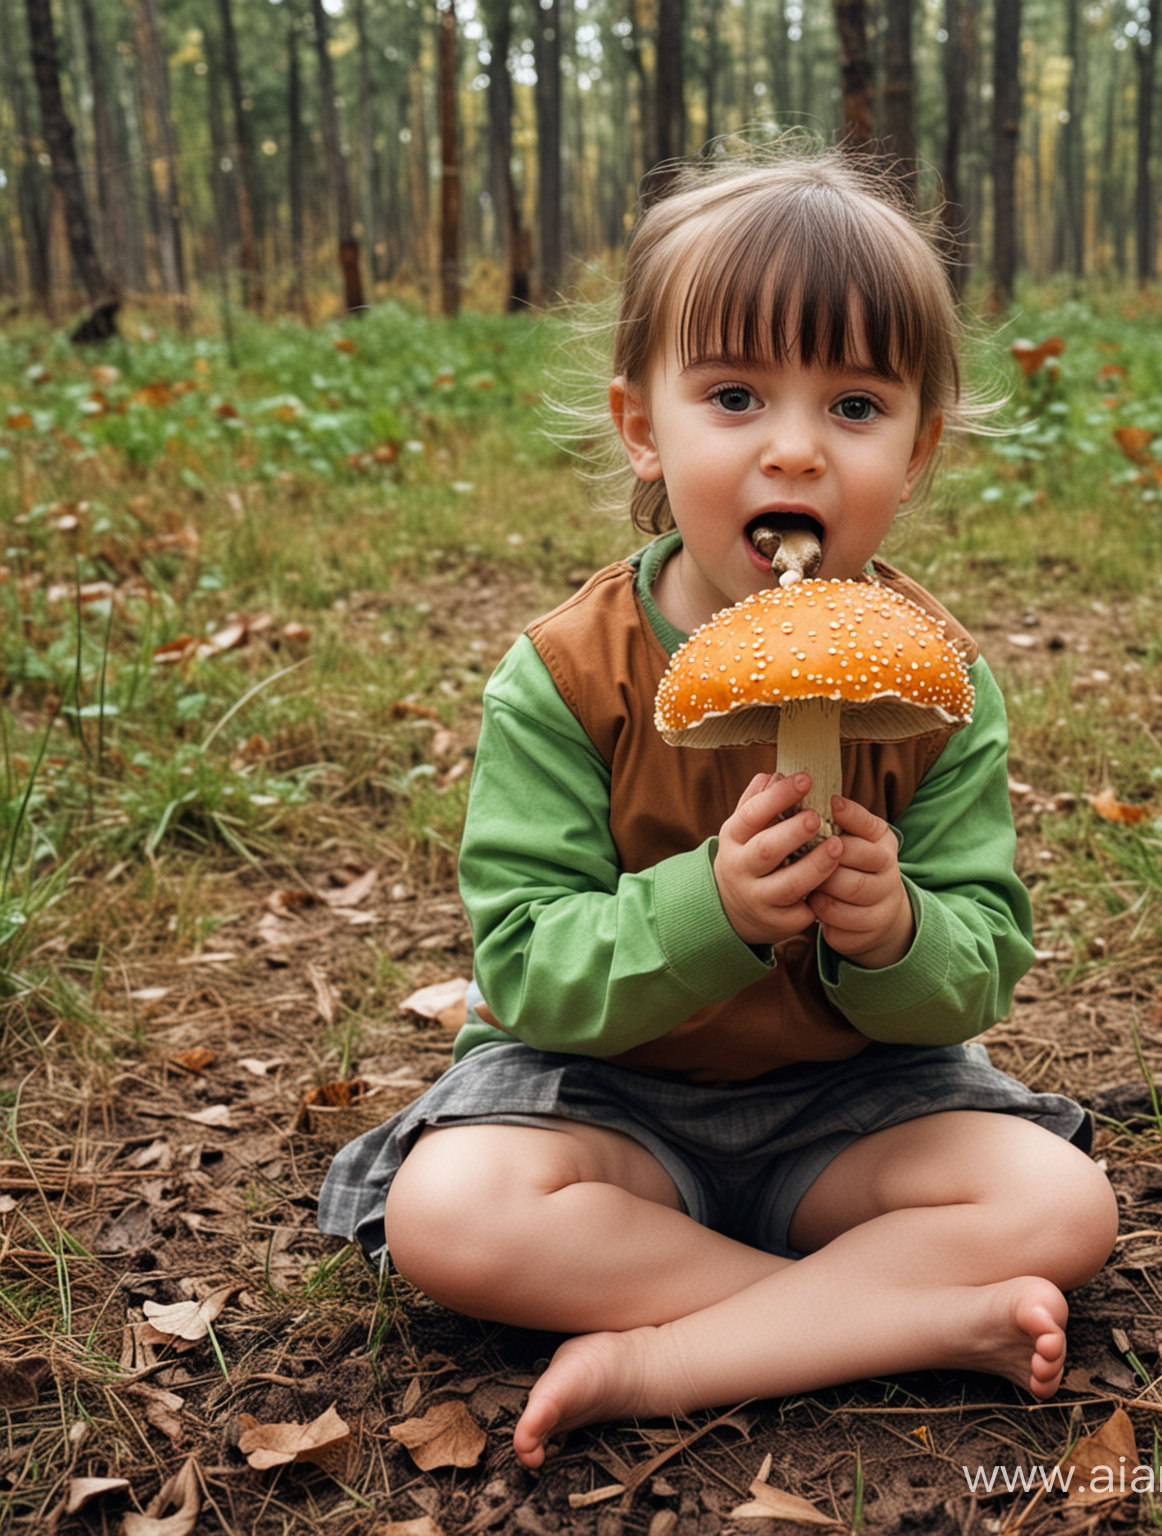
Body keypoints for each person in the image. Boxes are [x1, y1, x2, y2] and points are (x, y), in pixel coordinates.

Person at [319, 146, 1117, 1470]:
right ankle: (890, 1318)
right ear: (646, 426)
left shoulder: (943, 683)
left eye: (855, 405)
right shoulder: (566, 676)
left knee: (1061, 1200)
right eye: (736, 394)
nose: (794, 444)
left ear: (916, 447)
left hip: (856, 1113)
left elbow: (978, 971)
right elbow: (521, 965)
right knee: (451, 1212)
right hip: (603, 1106)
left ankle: (673, 1351)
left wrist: (894, 931)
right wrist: (712, 910)